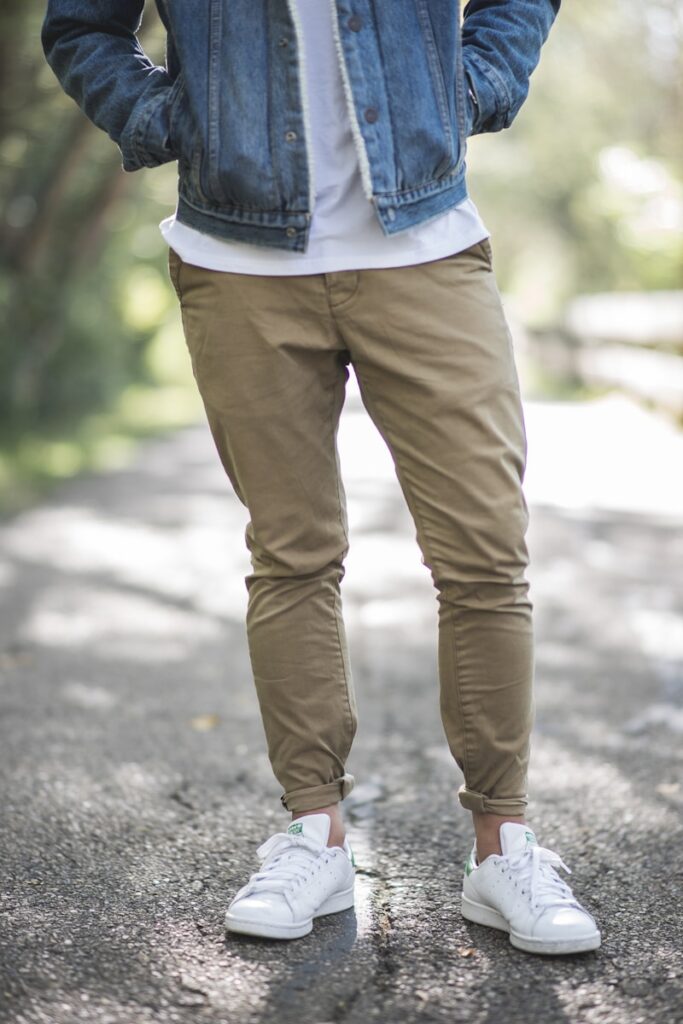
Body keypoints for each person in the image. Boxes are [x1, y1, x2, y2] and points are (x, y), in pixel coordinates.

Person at [42, 0, 601, 955]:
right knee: (292, 552)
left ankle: (501, 846)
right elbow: (81, 26)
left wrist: (473, 84)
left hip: (424, 246)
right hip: (237, 258)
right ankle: (314, 837)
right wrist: (167, 118)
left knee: (483, 557)